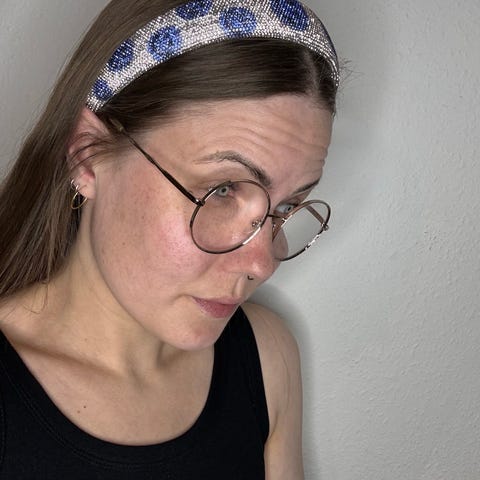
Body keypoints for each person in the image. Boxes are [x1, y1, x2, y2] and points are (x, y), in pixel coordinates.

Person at [0, 0, 338, 478]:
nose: (261, 263)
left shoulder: (266, 359)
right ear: (87, 156)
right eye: (222, 191)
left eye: (285, 208)